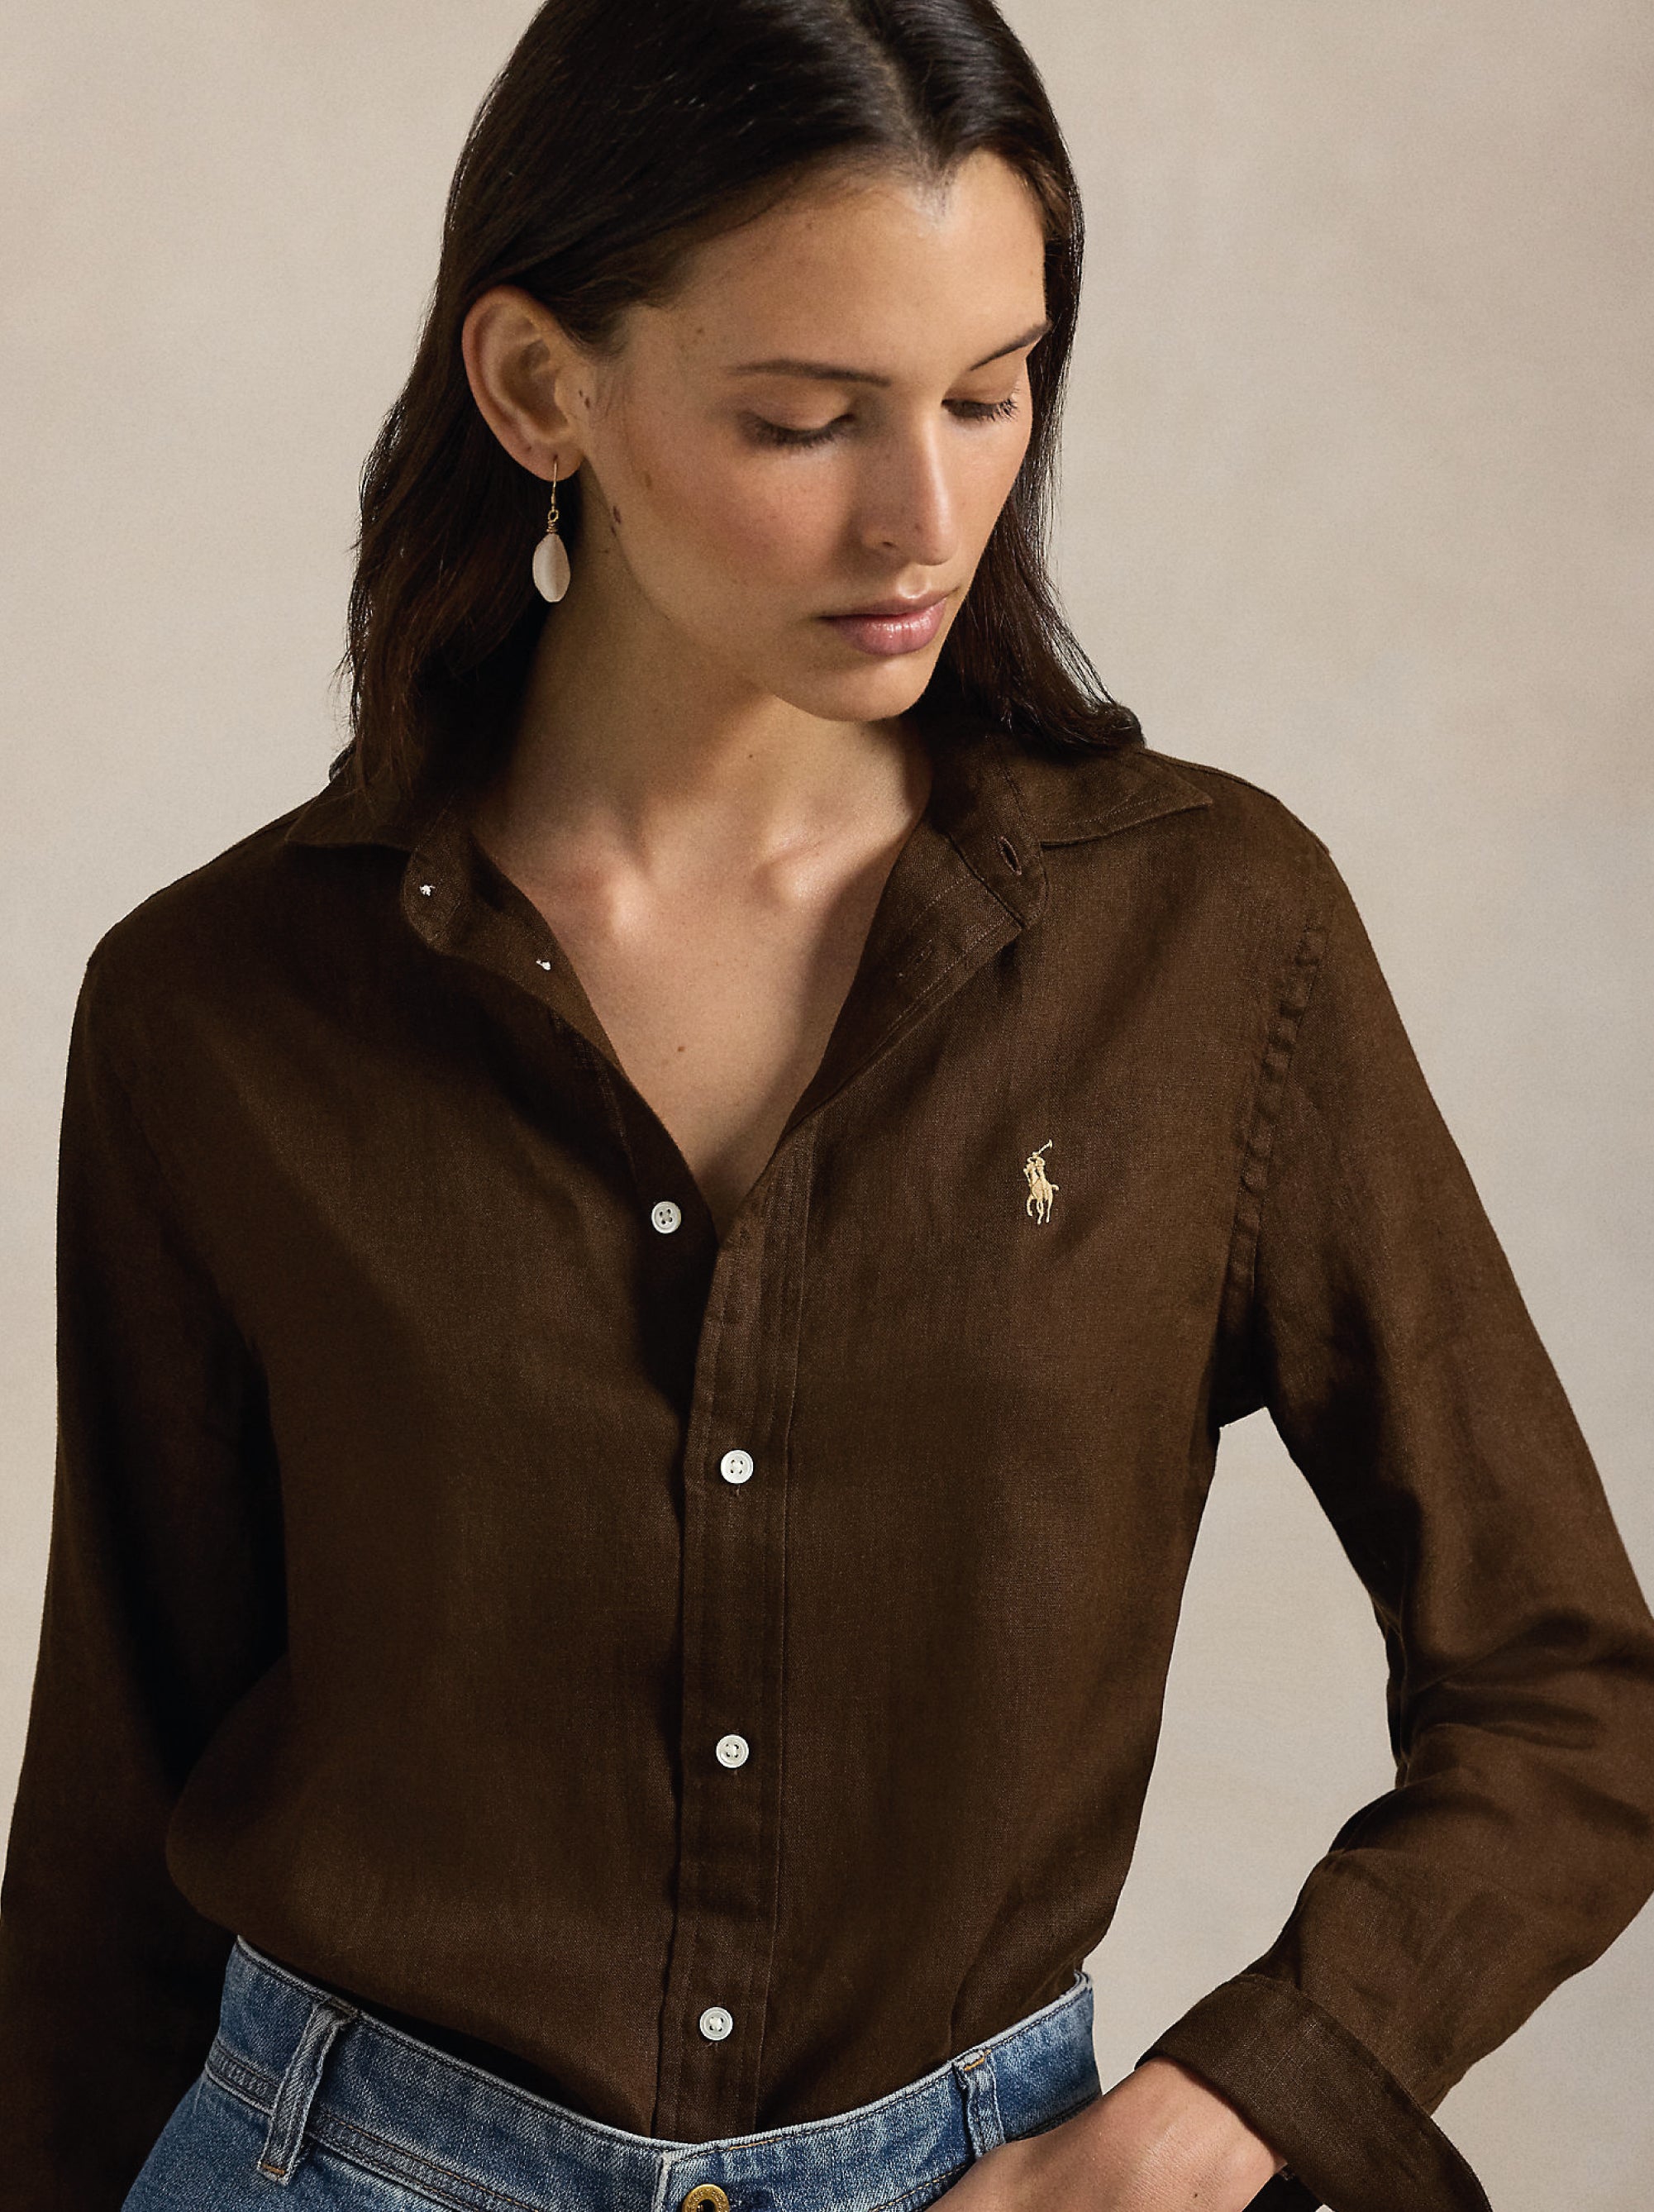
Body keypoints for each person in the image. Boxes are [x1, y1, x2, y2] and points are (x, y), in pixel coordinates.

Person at [4, 3, 1653, 2209]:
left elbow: (1568, 1693)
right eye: (806, 419)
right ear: (538, 387)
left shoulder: (1207, 947)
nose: (928, 516)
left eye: (992, 391)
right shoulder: (219, 1011)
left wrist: (1207, 2123)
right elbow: (113, 1834)